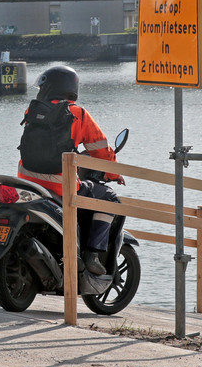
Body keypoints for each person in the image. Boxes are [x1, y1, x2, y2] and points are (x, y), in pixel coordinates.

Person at [16, 64, 124, 275]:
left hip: (27, 181)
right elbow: (101, 152)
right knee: (110, 198)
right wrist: (113, 174)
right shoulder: (78, 114)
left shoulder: (32, 110)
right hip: (60, 186)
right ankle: (93, 254)